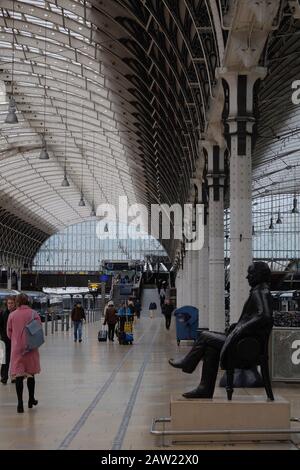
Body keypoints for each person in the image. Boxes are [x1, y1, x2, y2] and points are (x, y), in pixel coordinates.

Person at [169, 262, 273, 398]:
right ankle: (204, 389)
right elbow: (258, 317)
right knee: (210, 348)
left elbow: (264, 315)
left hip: (244, 346)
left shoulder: (260, 292)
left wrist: (241, 328)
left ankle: (188, 362)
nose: (247, 277)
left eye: (251, 273)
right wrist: (237, 325)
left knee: (205, 336)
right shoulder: (260, 291)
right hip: (244, 342)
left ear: (260, 275)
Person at [7, 293, 41, 413]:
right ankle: (31, 399)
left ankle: (20, 403)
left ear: (17, 302)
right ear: (28, 302)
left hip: (17, 349)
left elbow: (9, 333)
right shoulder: (34, 313)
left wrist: (16, 340)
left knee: (19, 376)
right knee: (31, 374)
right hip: (31, 348)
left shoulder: (12, 315)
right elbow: (38, 329)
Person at [0, 295, 16, 384]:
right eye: (8, 303)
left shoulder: (16, 314)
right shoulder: (3, 313)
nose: (10, 305)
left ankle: (14, 377)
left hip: (14, 340)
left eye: (11, 303)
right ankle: (4, 377)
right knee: (4, 359)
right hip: (4, 340)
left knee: (14, 359)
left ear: (15, 304)